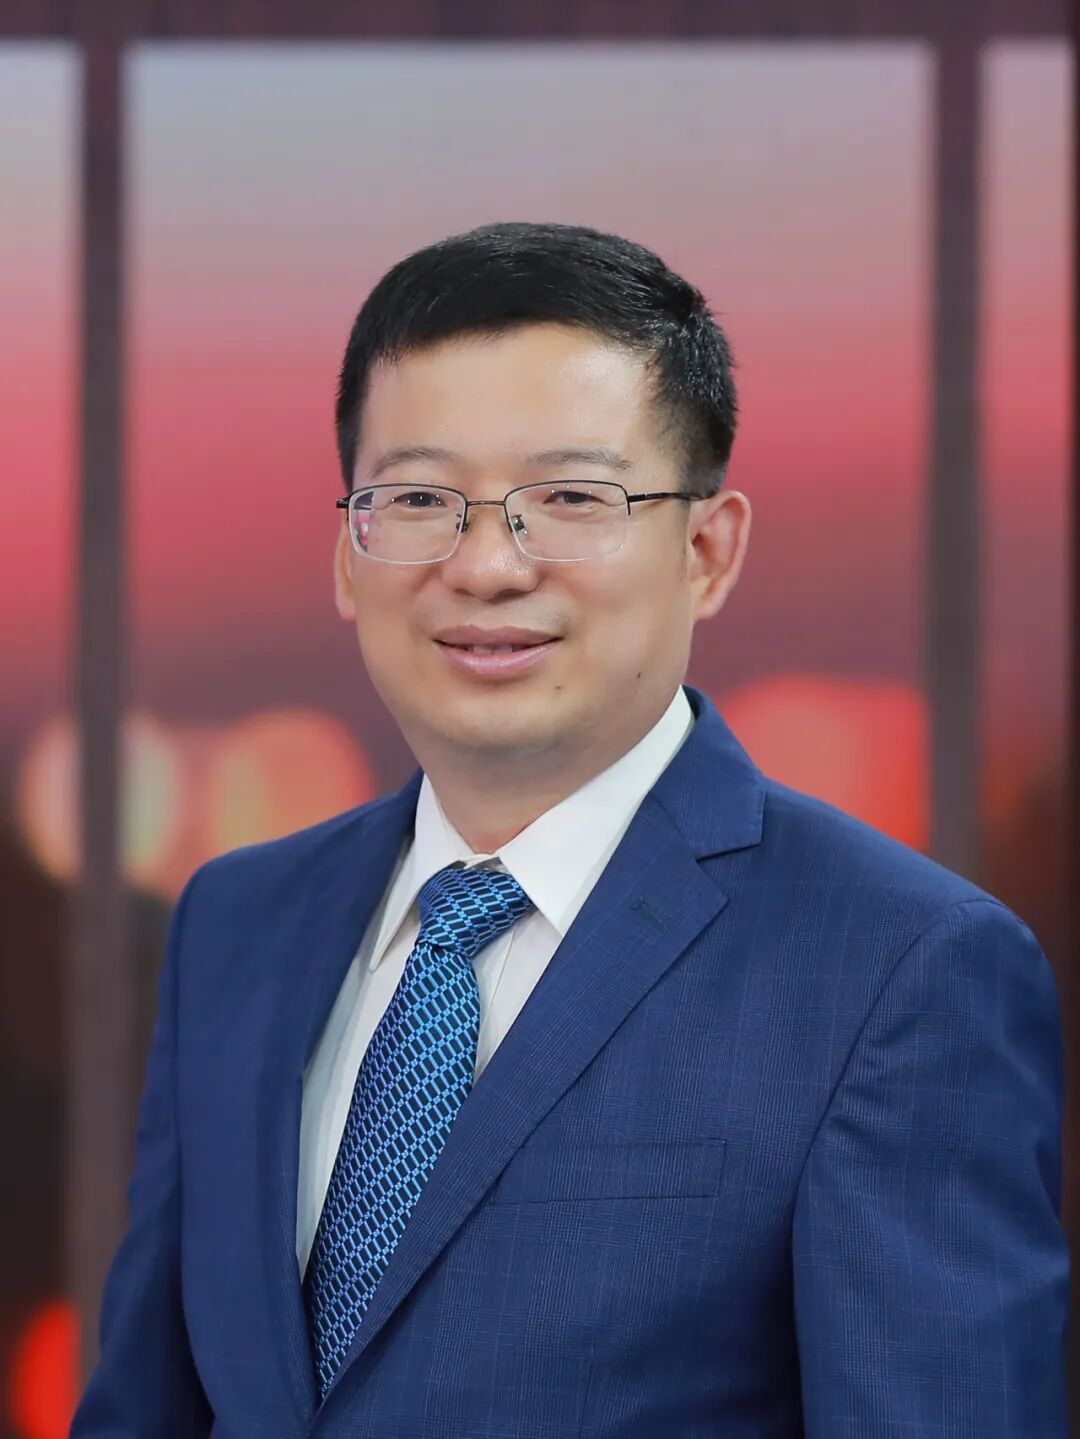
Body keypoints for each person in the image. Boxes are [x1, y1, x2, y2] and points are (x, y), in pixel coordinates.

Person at [72, 221, 1068, 1437]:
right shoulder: (238, 923)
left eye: (569, 498)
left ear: (707, 550)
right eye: (420, 498)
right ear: (347, 553)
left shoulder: (899, 968)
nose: (489, 565)